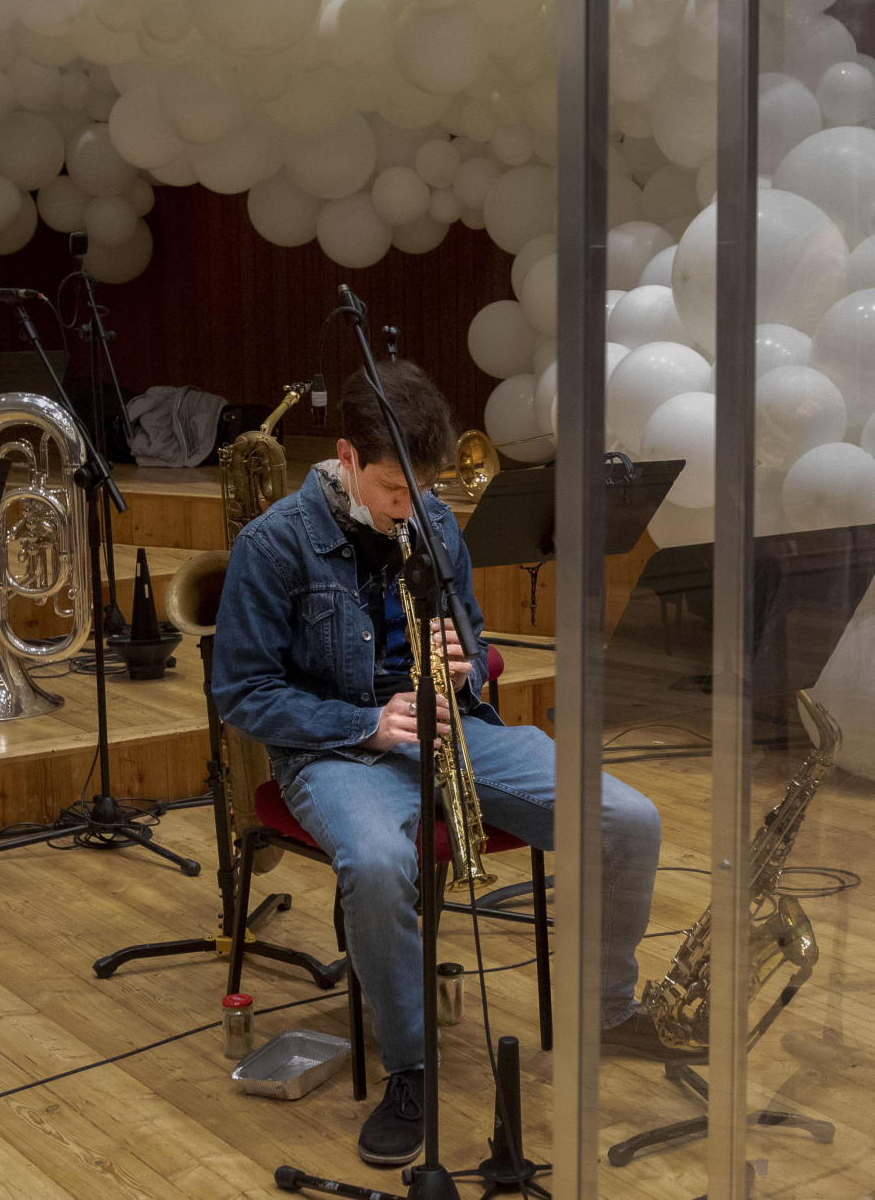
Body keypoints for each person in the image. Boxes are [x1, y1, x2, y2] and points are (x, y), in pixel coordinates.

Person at [213, 360, 692, 1170]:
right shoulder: (274, 544)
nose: (413, 507)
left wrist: (467, 657)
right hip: (342, 748)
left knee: (627, 819)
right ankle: (411, 1066)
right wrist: (368, 721)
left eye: (423, 489)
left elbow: (468, 629)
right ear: (346, 458)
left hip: (455, 728)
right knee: (376, 860)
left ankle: (606, 1011)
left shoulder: (432, 520)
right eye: (395, 490)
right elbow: (243, 693)